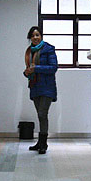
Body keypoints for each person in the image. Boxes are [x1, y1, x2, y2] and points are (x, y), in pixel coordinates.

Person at [23, 25, 57, 154]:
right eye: (32, 36)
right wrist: (26, 72)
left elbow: (53, 67)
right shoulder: (29, 51)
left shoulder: (48, 49)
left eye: (37, 35)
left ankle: (44, 143)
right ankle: (40, 142)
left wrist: (36, 68)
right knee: (40, 115)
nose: (35, 37)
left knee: (43, 114)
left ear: (41, 36)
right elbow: (29, 68)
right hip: (35, 86)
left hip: (47, 87)